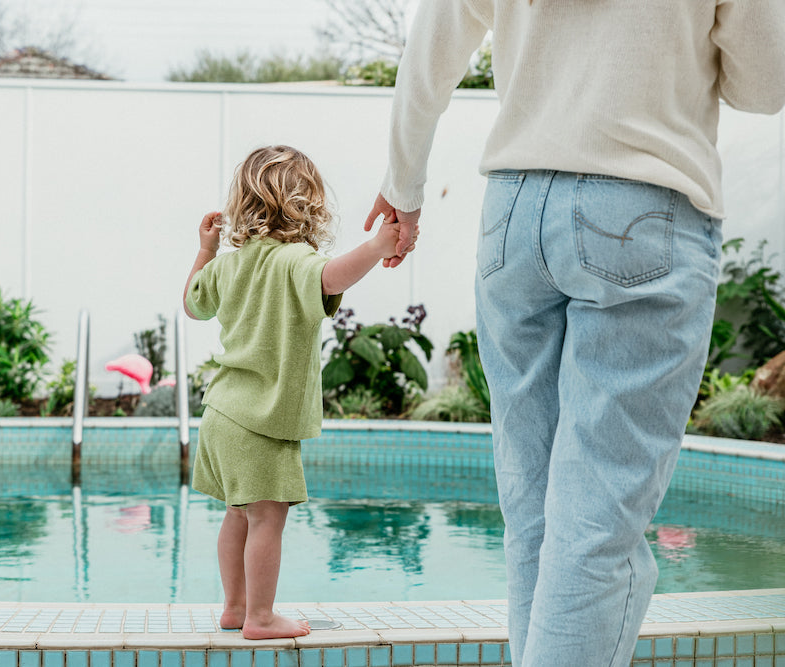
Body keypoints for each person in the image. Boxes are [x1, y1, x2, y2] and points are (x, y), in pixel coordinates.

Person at [364, 2, 785, 665]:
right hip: (644, 205)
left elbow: (432, 47)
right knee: (594, 526)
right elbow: (764, 83)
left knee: (533, 512)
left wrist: (404, 185)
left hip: (514, 215)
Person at [183, 145, 408, 640]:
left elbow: (193, 305)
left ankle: (235, 608)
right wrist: (375, 246)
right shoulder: (295, 261)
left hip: (221, 413)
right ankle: (261, 619)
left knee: (238, 514)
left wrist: (206, 249)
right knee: (268, 519)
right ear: (310, 204)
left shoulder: (230, 264)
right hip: (262, 421)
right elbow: (331, 276)